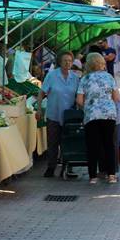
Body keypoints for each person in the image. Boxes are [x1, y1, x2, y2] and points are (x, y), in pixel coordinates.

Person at [76, 53, 120, 184]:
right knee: (108, 144)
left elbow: (79, 100)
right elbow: (116, 98)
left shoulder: (85, 79)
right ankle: (111, 175)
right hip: (109, 115)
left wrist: (88, 106)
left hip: (91, 115)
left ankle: (93, 177)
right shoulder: (109, 77)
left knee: (92, 145)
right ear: (102, 63)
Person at [36, 51, 80, 179]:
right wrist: (39, 109)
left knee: (68, 142)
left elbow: (79, 96)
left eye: (70, 61)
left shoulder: (75, 78)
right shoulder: (52, 76)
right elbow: (41, 93)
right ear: (60, 62)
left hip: (70, 117)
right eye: (65, 60)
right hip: (54, 114)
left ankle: (68, 167)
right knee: (53, 142)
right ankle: (51, 167)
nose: (68, 63)